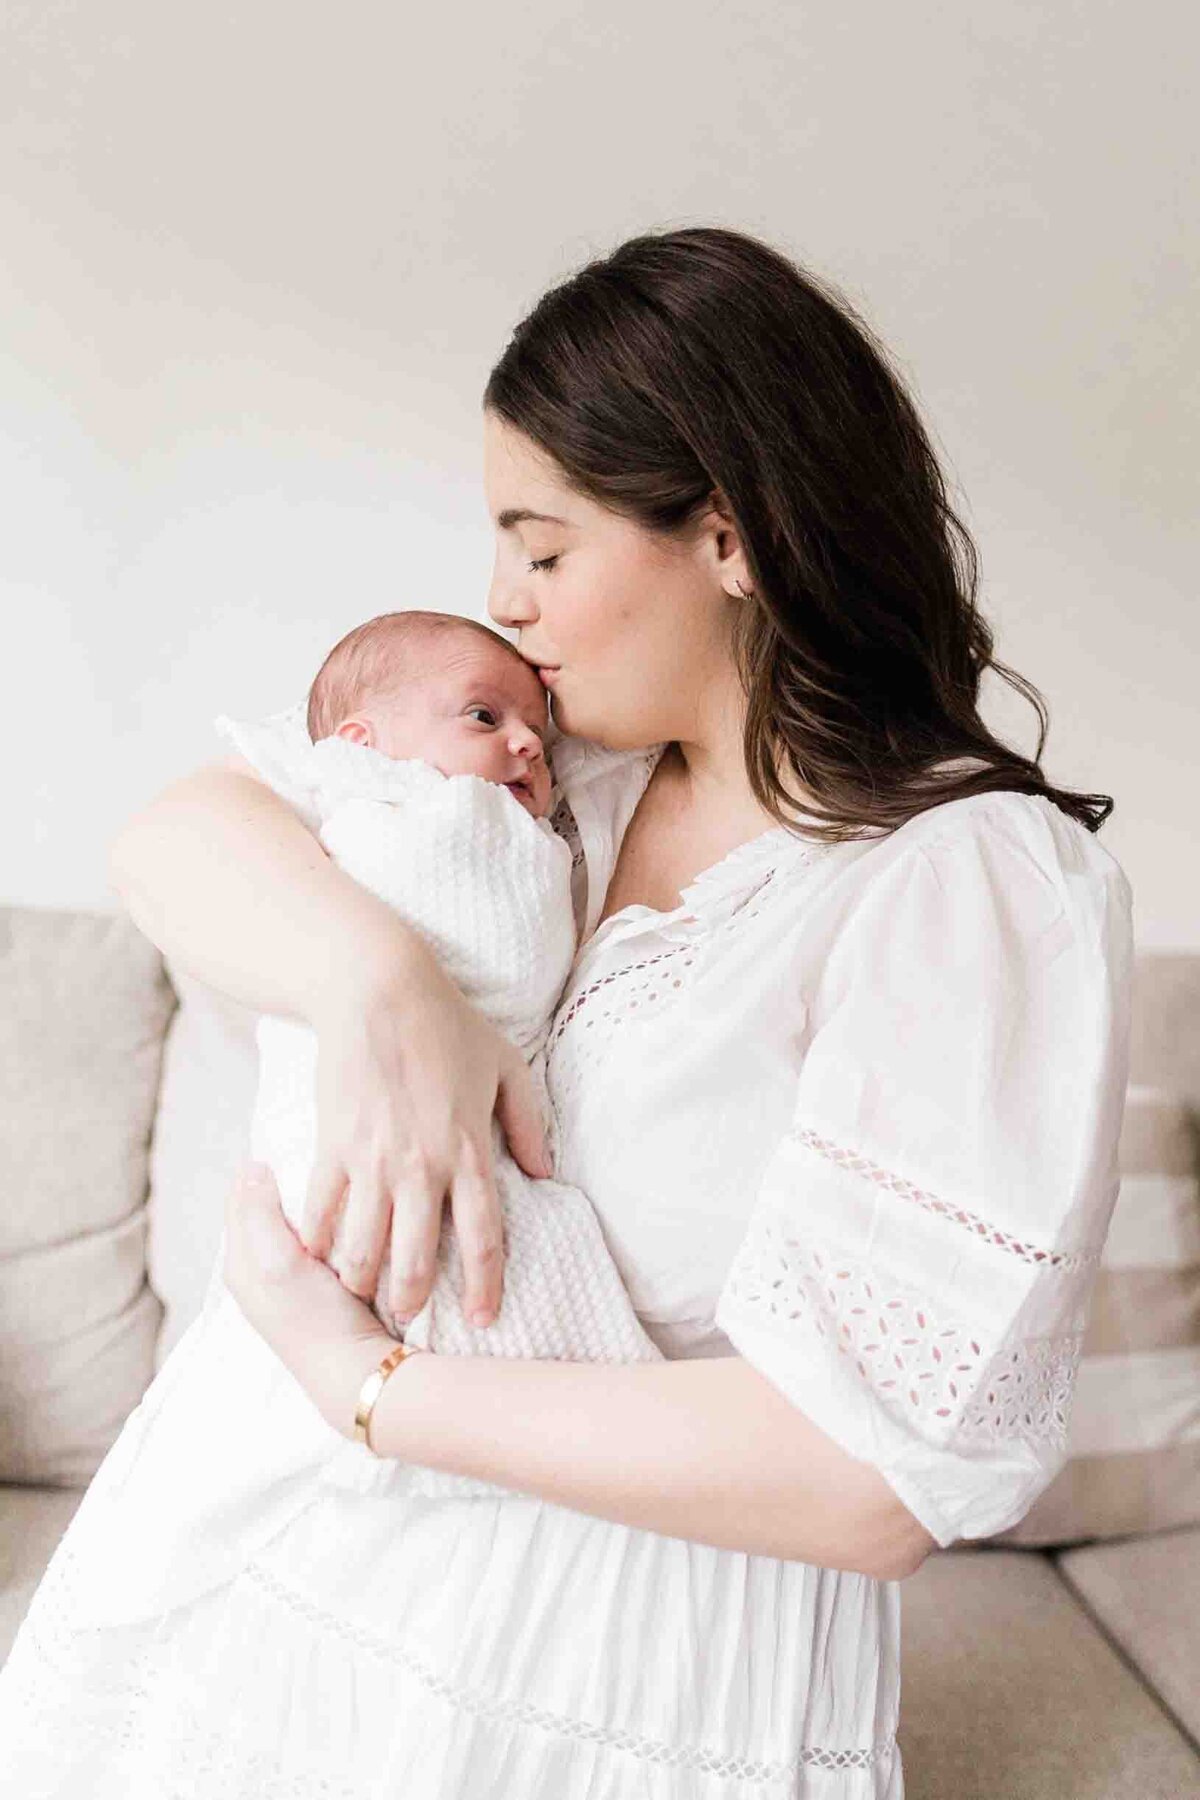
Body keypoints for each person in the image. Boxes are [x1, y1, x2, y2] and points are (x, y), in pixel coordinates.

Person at [6, 225, 1133, 1799]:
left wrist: (371, 1390)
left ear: (730, 537)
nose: (502, 605)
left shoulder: (963, 887)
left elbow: (866, 1478)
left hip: (622, 1686)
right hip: (285, 1606)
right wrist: (382, 984)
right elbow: (177, 833)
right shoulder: (557, 783)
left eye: (541, 552)